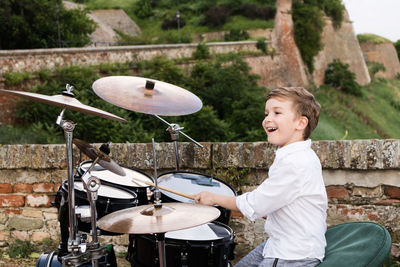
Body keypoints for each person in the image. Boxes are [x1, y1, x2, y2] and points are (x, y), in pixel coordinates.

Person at [193, 87, 328, 267]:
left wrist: (213, 198)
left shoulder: (295, 162)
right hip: (280, 245)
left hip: (293, 255)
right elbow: (278, 201)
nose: (267, 119)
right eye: (266, 113)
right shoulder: (294, 155)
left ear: (301, 123)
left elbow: (256, 204)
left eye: (277, 112)